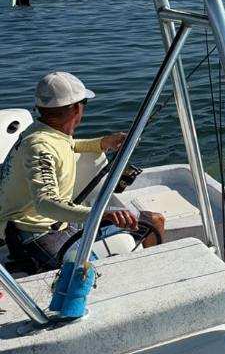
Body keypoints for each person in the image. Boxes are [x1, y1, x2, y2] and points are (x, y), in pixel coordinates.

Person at [0, 71, 165, 272]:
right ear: (77, 109)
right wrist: (101, 214)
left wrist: (103, 143)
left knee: (154, 220)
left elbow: (66, 146)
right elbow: (45, 204)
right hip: (35, 235)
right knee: (93, 269)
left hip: (58, 224)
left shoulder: (42, 131)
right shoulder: (39, 148)